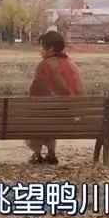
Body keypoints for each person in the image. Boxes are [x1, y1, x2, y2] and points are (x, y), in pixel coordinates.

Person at [26, 30, 85, 164]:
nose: (41, 50)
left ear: (50, 48)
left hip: (52, 118)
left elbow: (35, 92)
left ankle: (37, 154)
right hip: (74, 120)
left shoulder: (44, 65)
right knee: (52, 113)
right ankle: (51, 152)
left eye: (43, 47)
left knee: (38, 114)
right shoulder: (72, 64)